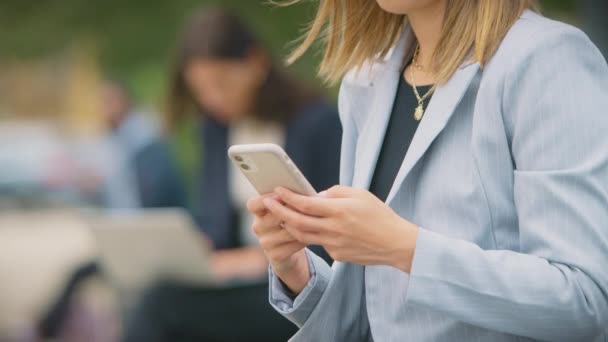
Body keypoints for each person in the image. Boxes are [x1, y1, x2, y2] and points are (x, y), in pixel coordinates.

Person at [248, 1, 608, 341]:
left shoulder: (547, 60)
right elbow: (372, 322)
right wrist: (298, 272)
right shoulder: (365, 84)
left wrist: (404, 247)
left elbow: (585, 299)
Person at [122, 7, 340, 342]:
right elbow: (213, 223)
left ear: (254, 63)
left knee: (160, 306)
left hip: (293, 284)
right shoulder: (216, 130)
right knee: (148, 293)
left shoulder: (316, 124)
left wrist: (248, 261)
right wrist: (194, 249)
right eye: (201, 89)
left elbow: (331, 238)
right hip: (232, 280)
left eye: (220, 83)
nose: (212, 99)